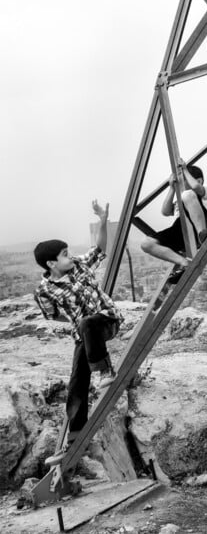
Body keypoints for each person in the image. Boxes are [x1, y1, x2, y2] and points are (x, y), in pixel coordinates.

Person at [33, 200, 123, 466]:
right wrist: (75, 317)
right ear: (51, 263)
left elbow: (100, 249)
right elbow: (52, 315)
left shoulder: (80, 266)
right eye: (64, 254)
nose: (70, 256)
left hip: (106, 322)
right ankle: (75, 439)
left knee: (87, 323)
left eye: (68, 252)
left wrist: (103, 220)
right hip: (83, 335)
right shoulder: (44, 290)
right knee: (76, 382)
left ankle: (106, 370)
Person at [141, 162, 207, 283]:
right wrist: (172, 188)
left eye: (183, 181)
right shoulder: (180, 200)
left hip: (202, 222)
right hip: (181, 228)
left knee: (187, 195)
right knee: (146, 243)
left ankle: (203, 235)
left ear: (199, 181)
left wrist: (184, 170)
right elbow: (165, 211)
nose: (181, 184)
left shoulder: (205, 192)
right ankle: (184, 263)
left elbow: (195, 187)